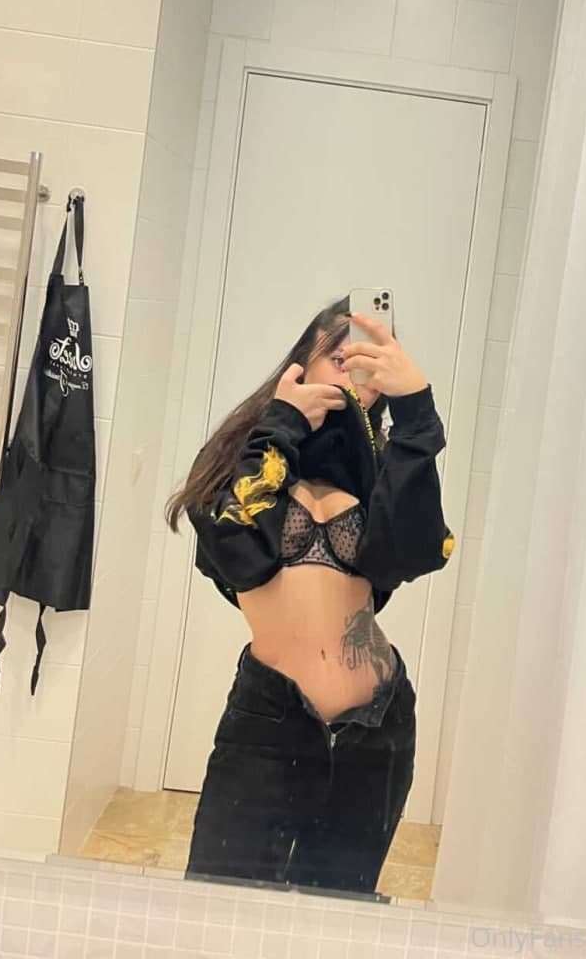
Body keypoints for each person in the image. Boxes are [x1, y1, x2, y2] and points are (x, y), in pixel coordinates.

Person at [165, 295, 455, 893]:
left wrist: (417, 415)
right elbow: (237, 551)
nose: (355, 373)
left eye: (369, 363)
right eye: (340, 357)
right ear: (303, 360)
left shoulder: (380, 468)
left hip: (377, 729)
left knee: (336, 914)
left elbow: (413, 553)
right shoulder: (250, 451)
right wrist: (282, 426)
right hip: (270, 723)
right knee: (220, 904)